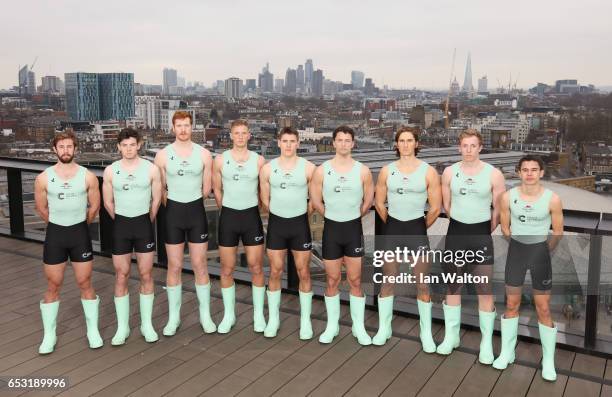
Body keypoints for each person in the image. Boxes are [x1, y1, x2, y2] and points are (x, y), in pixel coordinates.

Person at [493, 155, 563, 381]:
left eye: (534, 169)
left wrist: (543, 249)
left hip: (540, 254)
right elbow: (505, 228)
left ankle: (549, 362)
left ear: (541, 173)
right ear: (518, 172)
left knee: (543, 308)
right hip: (517, 253)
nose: (530, 173)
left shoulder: (553, 199)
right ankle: (507, 352)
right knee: (511, 303)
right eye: (525, 170)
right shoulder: (508, 197)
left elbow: (558, 232)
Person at [438, 129, 505, 364]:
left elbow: (498, 210)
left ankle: (486, 344)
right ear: (459, 147)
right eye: (464, 146)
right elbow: (446, 205)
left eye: (472, 146)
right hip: (456, 233)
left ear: (480, 148)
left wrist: (487, 230)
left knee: (484, 291)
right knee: (452, 287)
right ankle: (451, 337)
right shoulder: (449, 172)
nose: (468, 150)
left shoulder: (494, 174)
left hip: (480, 236)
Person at [34, 131, 102, 354]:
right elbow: (42, 209)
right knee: (53, 285)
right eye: (61, 147)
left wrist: (79, 224)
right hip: (56, 235)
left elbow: (94, 207)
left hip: (79, 235)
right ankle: (49, 336)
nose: (65, 150)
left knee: (85, 283)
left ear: (75, 149)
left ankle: (93, 331)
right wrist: (58, 223)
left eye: (69, 147)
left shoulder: (87, 176)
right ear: (55, 149)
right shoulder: (43, 177)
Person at [374, 126, 441, 349]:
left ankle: (426, 333)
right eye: (401, 140)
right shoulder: (386, 170)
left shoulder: (428, 171)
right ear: (396, 144)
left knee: (422, 284)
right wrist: (393, 224)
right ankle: (384, 328)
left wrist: (418, 227)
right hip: (392, 229)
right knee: (388, 279)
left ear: (416, 144)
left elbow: (435, 208)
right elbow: (379, 203)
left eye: (409, 140)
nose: (405, 144)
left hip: (416, 231)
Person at [310, 125, 374, 345]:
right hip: (332, 230)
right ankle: (332, 326)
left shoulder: (362, 170)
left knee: (355, 280)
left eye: (348, 140)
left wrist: (357, 213)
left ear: (353, 144)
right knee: (332, 279)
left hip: (353, 230)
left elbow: (368, 200)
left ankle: (359, 327)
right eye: (340, 140)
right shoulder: (322, 170)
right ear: (334, 143)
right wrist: (330, 214)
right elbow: (315, 199)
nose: (344, 144)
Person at [154, 111, 216, 336]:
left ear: (192, 127)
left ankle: (205, 316)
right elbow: (160, 190)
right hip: (173, 215)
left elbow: (207, 188)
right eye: (178, 126)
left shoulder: (204, 154)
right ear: (173, 128)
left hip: (196, 213)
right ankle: (173, 318)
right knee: (175, 266)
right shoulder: (162, 155)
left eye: (186, 125)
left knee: (200, 264)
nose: (182, 129)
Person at [102, 128, 162, 344]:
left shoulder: (151, 169)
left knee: (146, 274)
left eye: (132, 145)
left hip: (143, 224)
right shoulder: (110, 171)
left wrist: (147, 219)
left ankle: (147, 325)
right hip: (121, 226)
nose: (128, 149)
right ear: (118, 147)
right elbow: (108, 202)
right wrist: (120, 219)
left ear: (139, 145)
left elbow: (156, 201)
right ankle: (122, 328)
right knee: (121, 275)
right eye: (124, 145)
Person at [259, 127, 316, 339]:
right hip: (277, 226)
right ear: (278, 143)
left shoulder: (309, 168)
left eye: (293, 141)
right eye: (285, 141)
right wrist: (280, 211)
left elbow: (315, 199)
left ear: (298, 143)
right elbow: (265, 200)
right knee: (275, 271)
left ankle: (305, 322)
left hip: (300, 225)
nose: (289, 145)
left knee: (304, 272)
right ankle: (273, 319)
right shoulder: (267, 169)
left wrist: (301, 213)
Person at [212, 119, 266, 333]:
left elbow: (263, 191)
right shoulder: (220, 160)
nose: (241, 136)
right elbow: (217, 190)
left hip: (251, 217)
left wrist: (255, 207)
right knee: (226, 268)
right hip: (229, 218)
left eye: (244, 133)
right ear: (231, 135)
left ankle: (258, 315)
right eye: (237, 133)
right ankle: (229, 315)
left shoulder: (259, 160)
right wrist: (227, 208)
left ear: (249, 135)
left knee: (256, 267)